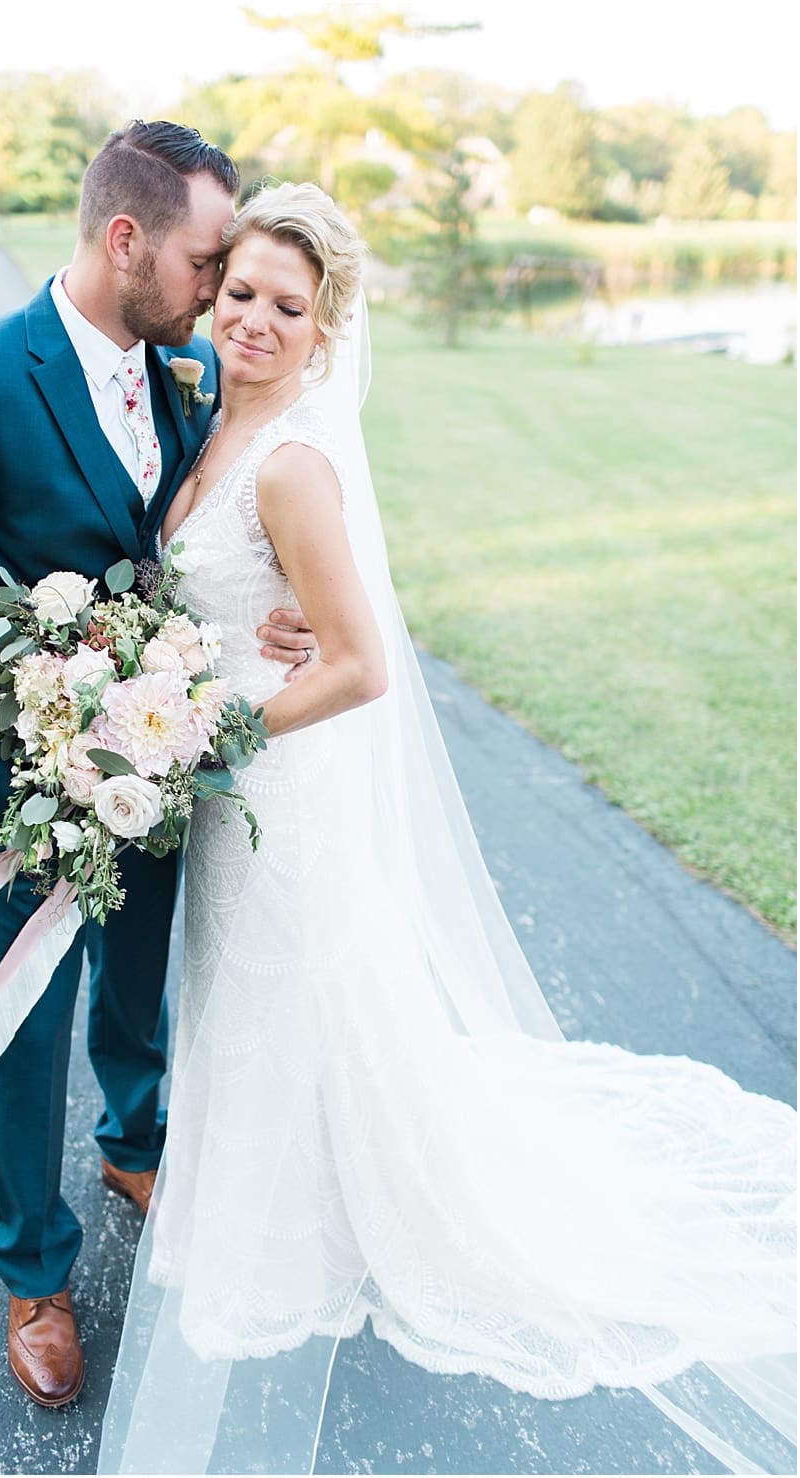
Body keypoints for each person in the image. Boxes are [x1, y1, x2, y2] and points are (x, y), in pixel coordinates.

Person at [99, 181, 796, 1475]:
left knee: (292, 988)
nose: (254, 318)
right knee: (267, 994)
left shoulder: (294, 460)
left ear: (324, 329)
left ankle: (338, 1213)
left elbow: (360, 664)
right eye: (241, 290)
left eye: (287, 307)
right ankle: (309, 1187)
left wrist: (211, 738)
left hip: (272, 785)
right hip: (225, 768)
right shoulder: (204, 419)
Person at [0, 120, 316, 1408]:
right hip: (32, 778)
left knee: (139, 975)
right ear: (126, 239)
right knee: (25, 1026)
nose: (217, 289)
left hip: (166, 753)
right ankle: (34, 1273)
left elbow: (214, 544)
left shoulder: (191, 374)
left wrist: (272, 617)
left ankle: (133, 1141)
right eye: (202, 259)